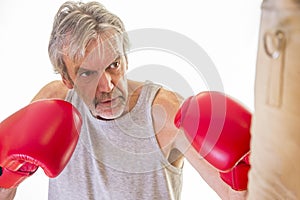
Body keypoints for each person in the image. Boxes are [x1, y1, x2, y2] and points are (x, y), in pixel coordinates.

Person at [0, 1, 247, 199]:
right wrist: (7, 177)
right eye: (87, 73)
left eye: (114, 65)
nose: (107, 85)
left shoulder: (165, 113)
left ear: (126, 60)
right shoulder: (53, 102)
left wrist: (245, 169)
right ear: (67, 78)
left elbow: (235, 195)